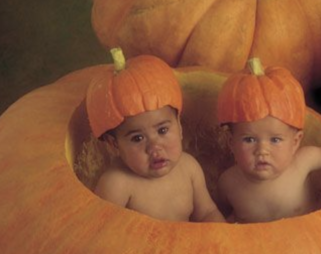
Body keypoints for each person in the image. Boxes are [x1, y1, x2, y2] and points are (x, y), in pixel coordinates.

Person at [217, 58, 321, 223]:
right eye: (249, 140)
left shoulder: (302, 162)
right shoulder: (228, 184)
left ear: (295, 142)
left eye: (275, 140)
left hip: (310, 242)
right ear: (231, 142)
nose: (262, 150)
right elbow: (219, 222)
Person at [85, 48, 224, 223]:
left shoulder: (189, 168)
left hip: (191, 248)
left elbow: (206, 212)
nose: (154, 147)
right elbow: (104, 235)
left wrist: (226, 239)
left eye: (162, 131)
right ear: (114, 145)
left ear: (179, 127)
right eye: (137, 138)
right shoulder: (117, 185)